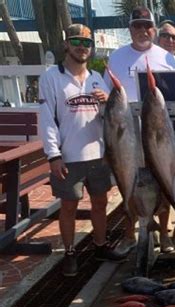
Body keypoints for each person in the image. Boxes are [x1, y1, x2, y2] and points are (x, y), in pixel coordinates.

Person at [39, 24, 126, 277]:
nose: (82, 47)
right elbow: (46, 118)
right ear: (66, 44)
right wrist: (53, 154)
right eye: (76, 41)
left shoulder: (97, 79)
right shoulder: (51, 76)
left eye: (87, 43)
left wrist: (106, 103)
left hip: (98, 155)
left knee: (100, 203)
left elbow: (109, 119)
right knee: (69, 207)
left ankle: (100, 246)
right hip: (68, 157)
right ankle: (69, 252)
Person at [105, 6, 175, 254]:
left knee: (164, 180)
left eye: (147, 25)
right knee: (129, 183)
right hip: (127, 134)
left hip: (160, 134)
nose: (142, 30)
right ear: (130, 29)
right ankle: (129, 234)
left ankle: (165, 234)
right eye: (137, 25)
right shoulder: (116, 57)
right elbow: (107, 94)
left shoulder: (168, 58)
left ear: (154, 29)